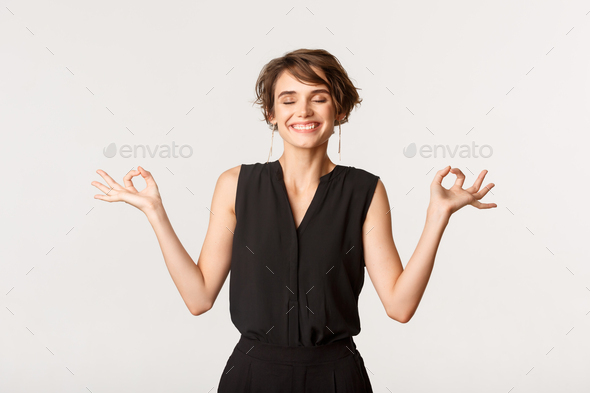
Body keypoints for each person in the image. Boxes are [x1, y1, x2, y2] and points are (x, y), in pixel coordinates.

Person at [91, 48, 496, 392]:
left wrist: (437, 215)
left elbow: (400, 306)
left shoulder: (365, 191)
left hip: (337, 377)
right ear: (270, 113)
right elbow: (198, 298)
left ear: (340, 110)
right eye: (288, 99)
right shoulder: (235, 185)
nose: (303, 110)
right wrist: (155, 212)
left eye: (318, 97)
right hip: (251, 375)